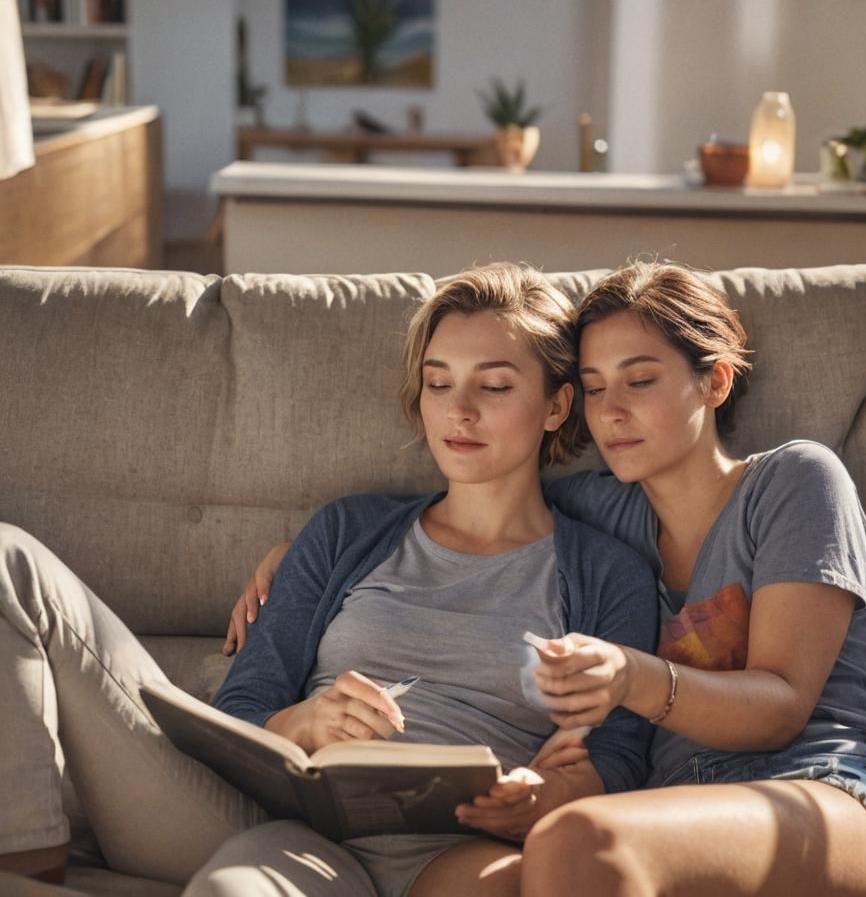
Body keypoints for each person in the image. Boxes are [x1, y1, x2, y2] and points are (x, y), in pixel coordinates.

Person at [235, 261, 866, 897]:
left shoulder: (795, 482)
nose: (611, 412)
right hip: (665, 809)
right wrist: (296, 556)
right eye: (595, 388)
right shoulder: (602, 513)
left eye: (641, 380)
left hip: (818, 785)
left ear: (714, 381)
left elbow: (781, 707)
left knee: (572, 837)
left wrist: (629, 676)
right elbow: (489, 499)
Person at [0, 263, 657, 897]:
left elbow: (621, 758)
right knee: (10, 559)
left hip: (457, 852)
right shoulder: (349, 530)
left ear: (556, 405)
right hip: (287, 830)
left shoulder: (607, 574)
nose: (458, 409)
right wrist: (307, 724)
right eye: (438, 383)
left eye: (494, 386)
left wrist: (545, 800)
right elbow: (240, 714)